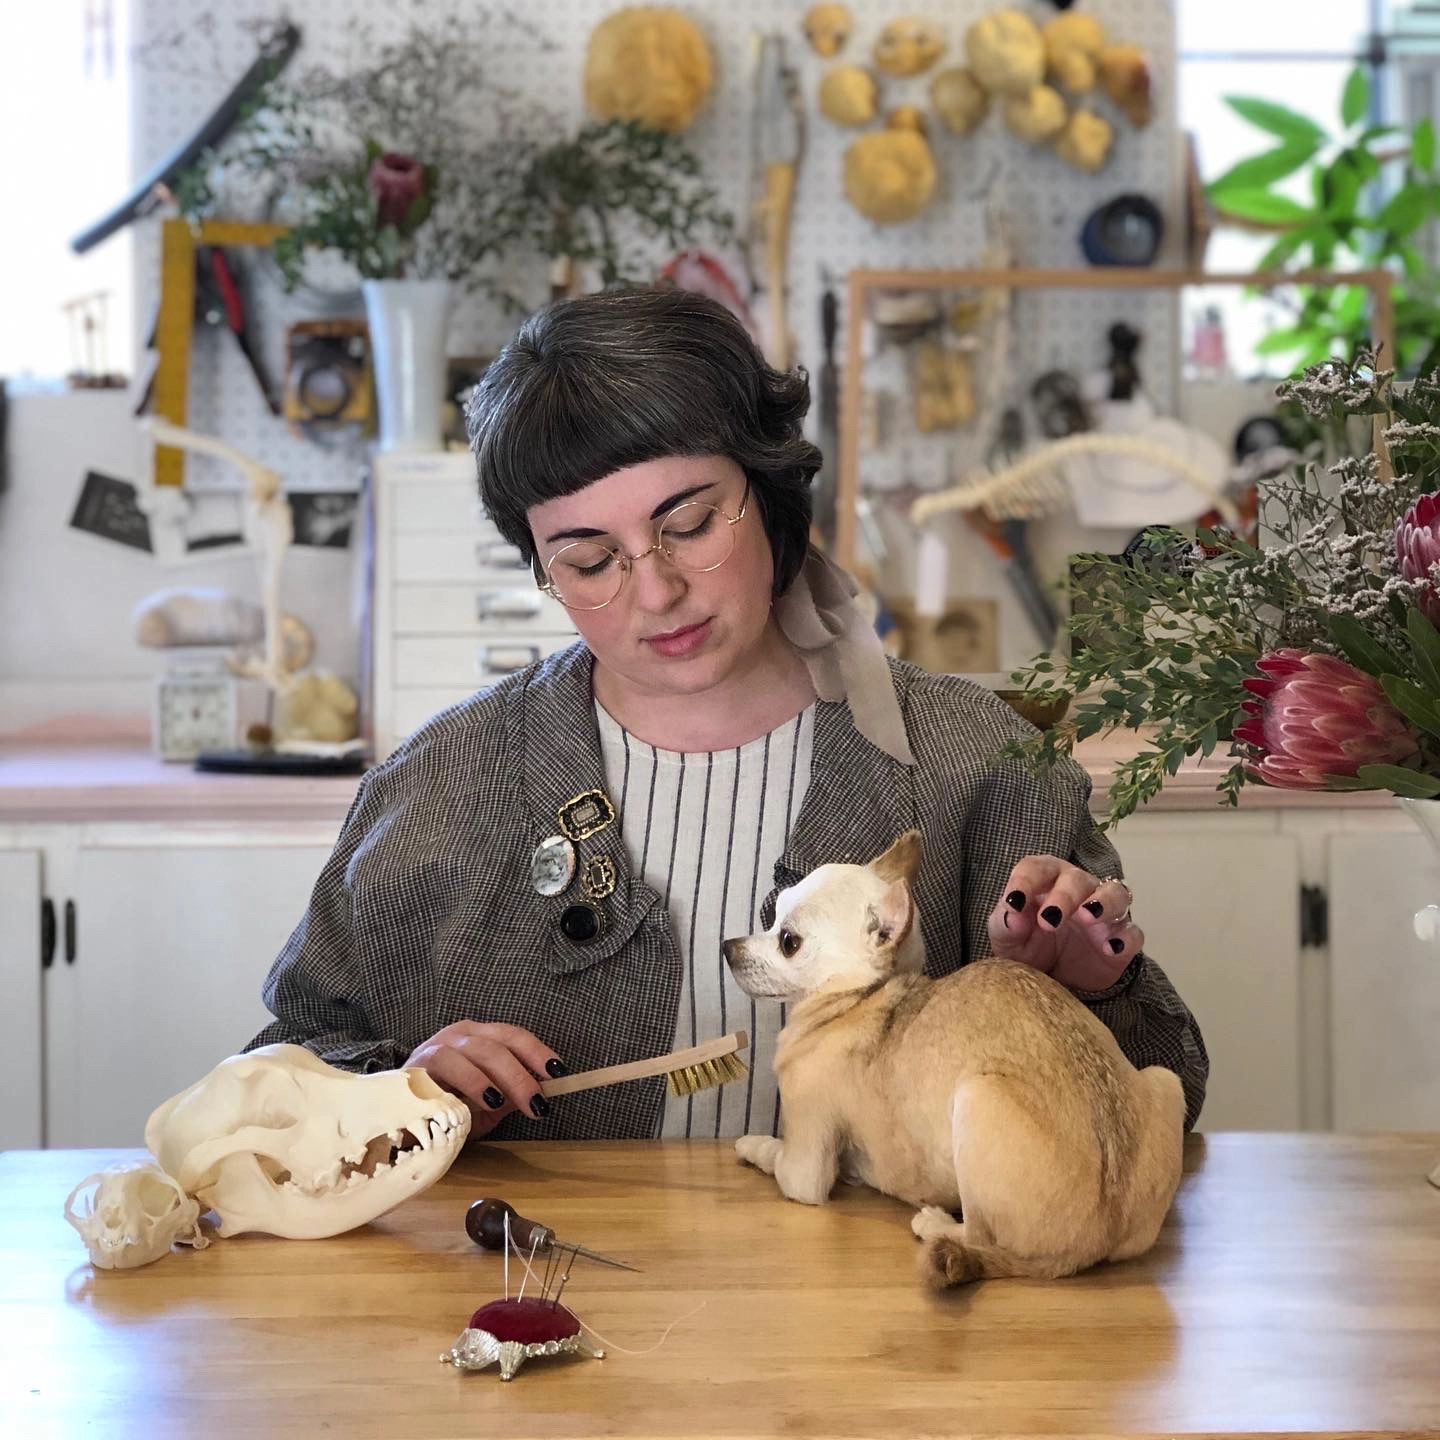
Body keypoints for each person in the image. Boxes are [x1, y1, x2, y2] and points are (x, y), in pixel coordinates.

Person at [248, 287, 1207, 1141]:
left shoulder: (974, 765)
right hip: (533, 1313)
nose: (655, 591)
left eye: (691, 524)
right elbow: (280, 1069)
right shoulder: (443, 784)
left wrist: (1091, 990)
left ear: (773, 488)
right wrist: (397, 1086)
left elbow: (1166, 1090)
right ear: (543, 569)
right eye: (589, 561)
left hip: (892, 1324)